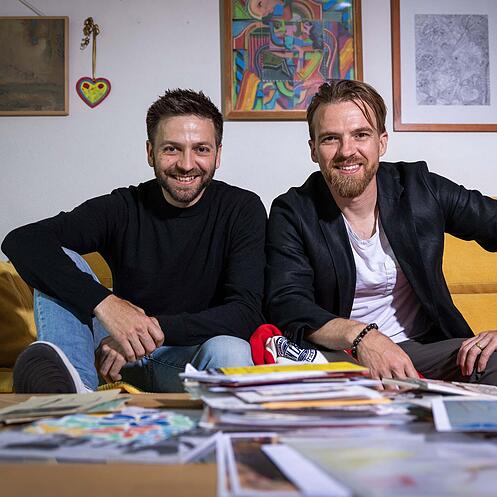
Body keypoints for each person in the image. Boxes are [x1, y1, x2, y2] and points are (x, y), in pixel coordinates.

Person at [2, 89, 266, 393]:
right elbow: (22, 240)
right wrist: (106, 304)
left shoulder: (242, 209)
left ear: (217, 154)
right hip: (114, 358)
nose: (186, 164)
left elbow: (246, 312)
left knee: (231, 350)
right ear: (150, 152)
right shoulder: (124, 207)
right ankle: (75, 392)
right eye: (171, 149)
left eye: (201, 149)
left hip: (188, 360)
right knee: (61, 256)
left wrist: (144, 329)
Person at [265, 79, 497, 385]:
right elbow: (288, 302)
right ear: (313, 149)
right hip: (340, 356)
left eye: (361, 134)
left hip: (423, 350)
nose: (347, 151)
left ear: (382, 142)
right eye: (331, 138)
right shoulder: (293, 211)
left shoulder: (420, 188)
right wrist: (362, 337)